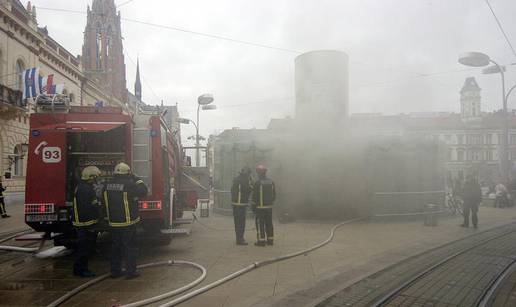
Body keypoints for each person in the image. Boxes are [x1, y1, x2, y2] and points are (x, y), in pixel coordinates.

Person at [103, 162, 148, 279]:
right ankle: (131, 272)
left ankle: (115, 271)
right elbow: (144, 191)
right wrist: (137, 178)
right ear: (128, 173)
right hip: (128, 223)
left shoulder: (107, 185)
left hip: (113, 222)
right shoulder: (130, 184)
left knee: (115, 247)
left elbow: (103, 202)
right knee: (129, 247)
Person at [73, 166, 102, 277]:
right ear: (91, 177)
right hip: (84, 224)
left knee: (84, 248)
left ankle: (80, 269)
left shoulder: (82, 187)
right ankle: (81, 270)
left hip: (83, 223)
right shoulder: (85, 189)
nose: (96, 180)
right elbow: (87, 207)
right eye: (95, 177)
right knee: (83, 248)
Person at [251, 165, 276, 246]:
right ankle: (270, 240)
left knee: (260, 224)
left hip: (260, 208)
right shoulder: (271, 182)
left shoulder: (257, 183)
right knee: (269, 223)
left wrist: (253, 206)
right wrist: (270, 203)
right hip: (269, 207)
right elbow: (274, 195)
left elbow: (255, 196)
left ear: (259, 173)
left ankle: (261, 241)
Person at [231, 167, 253, 245]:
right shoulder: (245, 180)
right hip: (241, 205)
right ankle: (240, 240)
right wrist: (251, 183)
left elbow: (232, 190)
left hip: (235, 204)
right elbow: (249, 190)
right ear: (247, 174)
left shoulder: (236, 179)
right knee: (241, 223)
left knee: (237, 223)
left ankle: (238, 238)